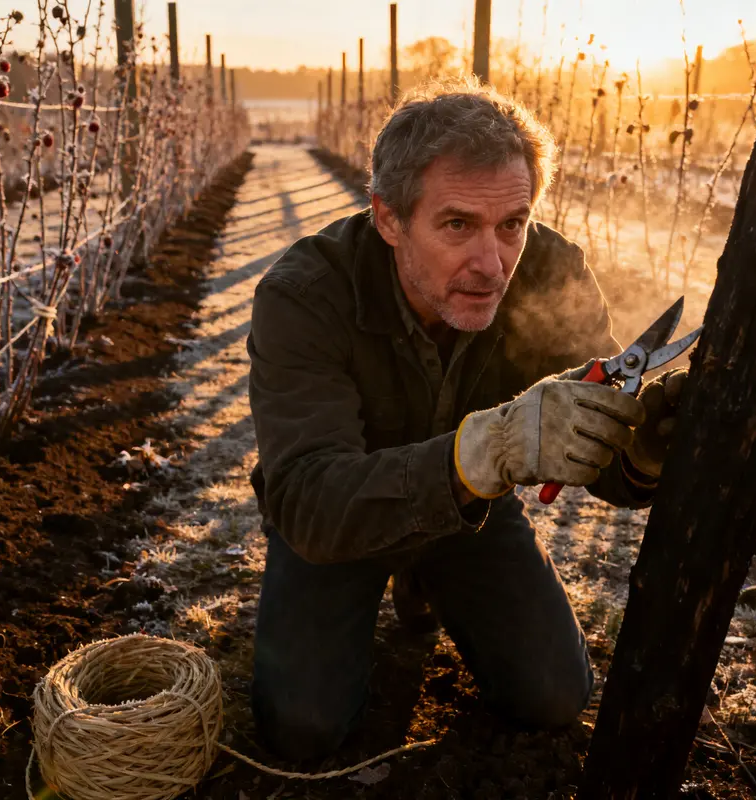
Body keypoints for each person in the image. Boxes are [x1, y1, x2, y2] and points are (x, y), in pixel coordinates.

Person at [244, 75, 685, 762]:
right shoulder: (304, 297)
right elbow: (306, 499)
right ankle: (395, 578)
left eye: (513, 223)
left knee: (553, 697)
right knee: (303, 728)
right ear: (388, 218)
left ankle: (428, 575)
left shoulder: (547, 272)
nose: (492, 263)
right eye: (457, 225)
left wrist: (643, 455)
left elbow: (594, 444)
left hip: (471, 511)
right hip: (339, 521)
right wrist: (481, 453)